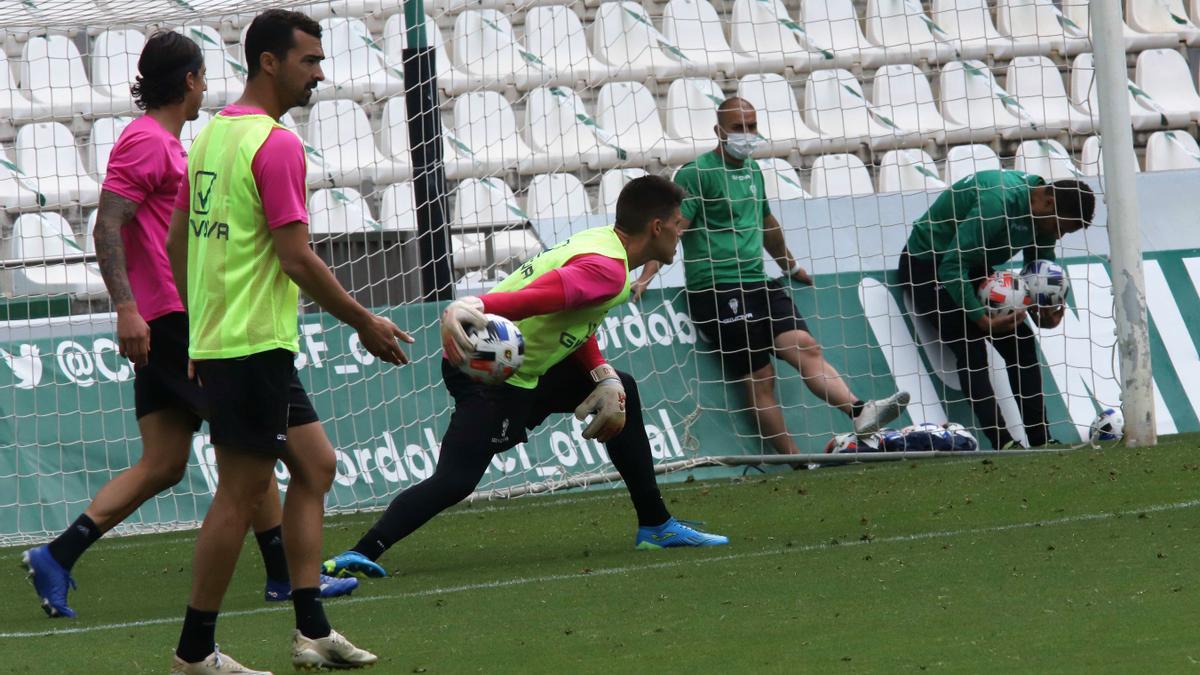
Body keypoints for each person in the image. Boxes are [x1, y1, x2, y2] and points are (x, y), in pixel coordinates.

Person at [19, 30, 355, 622]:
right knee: (263, 452)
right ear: (192, 80)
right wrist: (127, 308)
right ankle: (286, 579)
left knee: (167, 461)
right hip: (177, 320)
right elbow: (106, 226)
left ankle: (57, 554)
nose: (206, 88)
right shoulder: (147, 140)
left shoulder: (175, 142)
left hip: (176, 317)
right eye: (202, 77)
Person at [320, 175, 728, 581]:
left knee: (624, 389)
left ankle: (656, 525)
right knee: (456, 480)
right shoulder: (607, 270)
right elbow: (541, 296)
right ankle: (360, 552)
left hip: (527, 368)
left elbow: (574, 317)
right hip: (492, 375)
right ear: (657, 227)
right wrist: (476, 304)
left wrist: (602, 375)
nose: (682, 230)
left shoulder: (603, 242)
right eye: (678, 223)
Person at [164, 10, 412, 673]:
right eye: (310, 61)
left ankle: (312, 629)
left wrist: (197, 322)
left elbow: (177, 239)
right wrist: (364, 320)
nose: (320, 74)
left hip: (237, 338)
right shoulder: (275, 145)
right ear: (269, 62)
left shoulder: (214, 134)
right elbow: (296, 257)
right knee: (241, 493)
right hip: (250, 345)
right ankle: (193, 653)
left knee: (316, 464)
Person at [632, 97, 908, 457]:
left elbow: (766, 224)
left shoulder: (753, 172)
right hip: (717, 289)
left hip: (759, 281)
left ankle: (860, 411)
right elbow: (675, 228)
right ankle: (797, 461)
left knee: (805, 346)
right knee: (762, 379)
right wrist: (646, 274)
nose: (747, 135)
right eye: (738, 127)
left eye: (752, 126)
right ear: (719, 131)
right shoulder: (697, 173)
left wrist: (790, 267)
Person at [897, 169, 1095, 450]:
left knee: (1022, 342)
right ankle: (1003, 443)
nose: (1059, 235)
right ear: (1048, 202)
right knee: (971, 344)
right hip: (928, 264)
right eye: (1060, 228)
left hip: (971, 265)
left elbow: (1041, 267)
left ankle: (1041, 441)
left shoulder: (1042, 214)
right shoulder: (996, 203)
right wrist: (980, 319)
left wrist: (1048, 307)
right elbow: (952, 266)